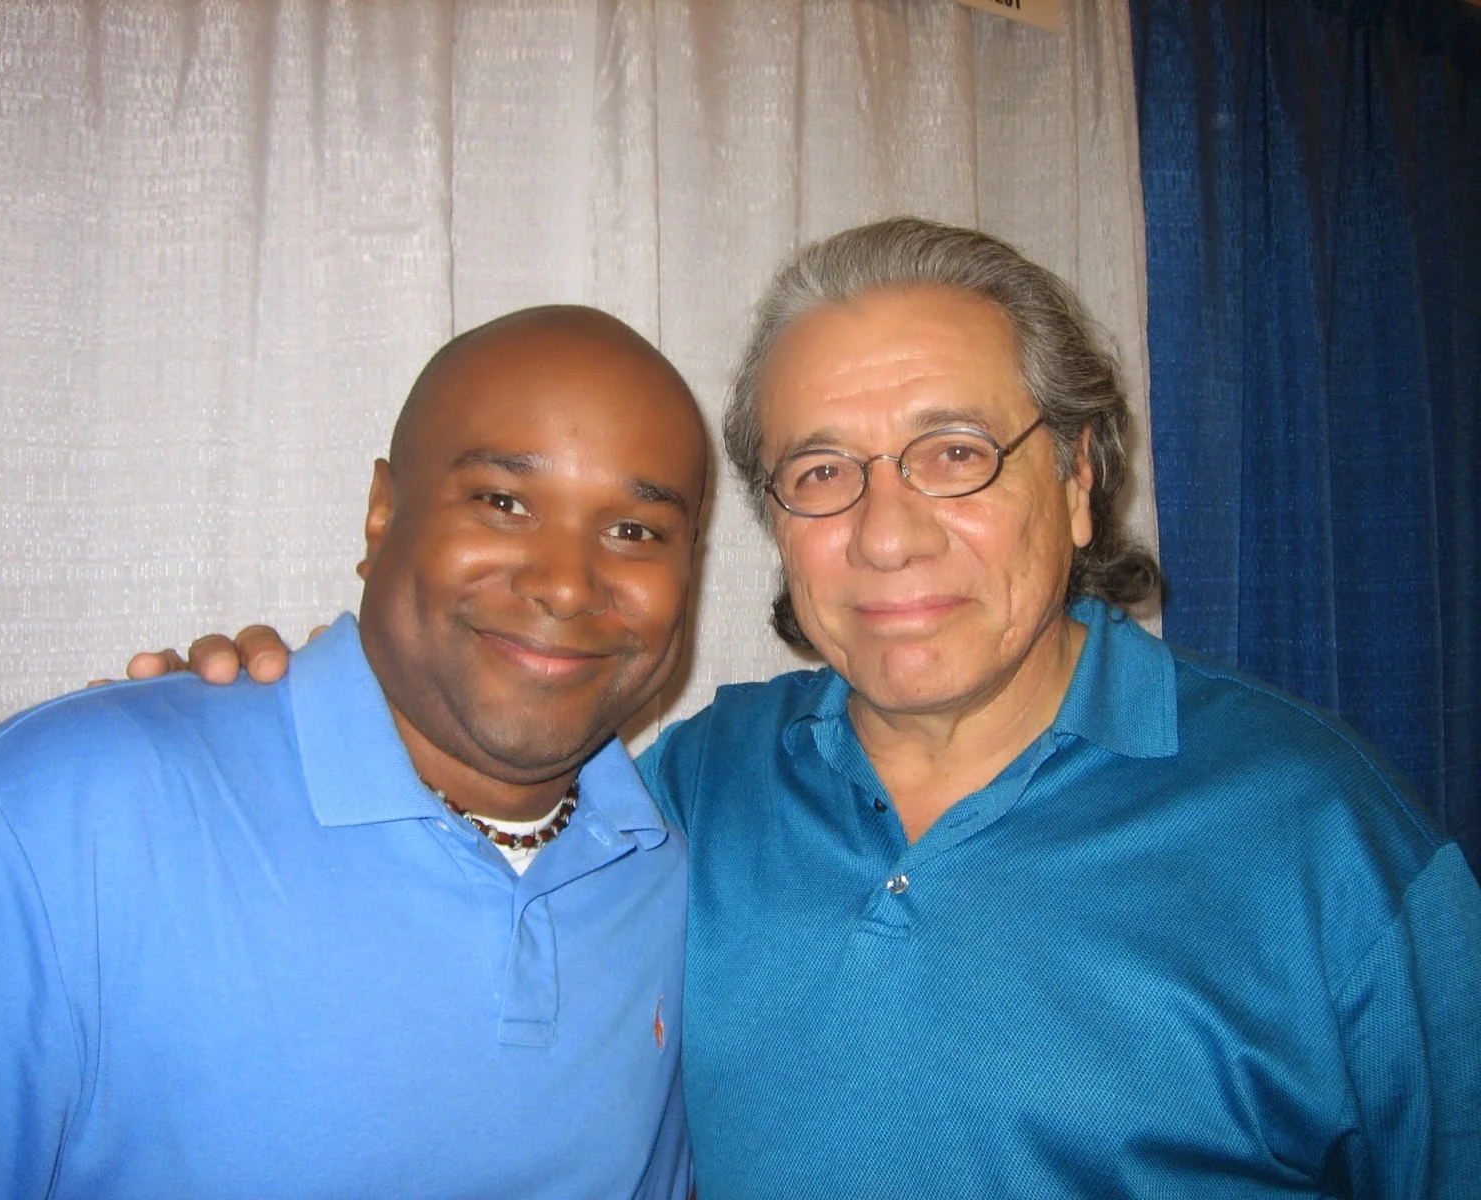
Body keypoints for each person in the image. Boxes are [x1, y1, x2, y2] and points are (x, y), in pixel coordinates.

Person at [130, 219, 1481, 1198]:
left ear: (1076, 482)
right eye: (823, 472)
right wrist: (247, 721)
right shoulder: (685, 793)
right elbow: (455, 843)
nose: (886, 536)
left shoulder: (1322, 838)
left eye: (954, 454)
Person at [0, 306, 708, 1199]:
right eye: (503, 503)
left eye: (635, 531)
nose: (566, 584)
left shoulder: (673, 873)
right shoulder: (48, 823)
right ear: (382, 513)